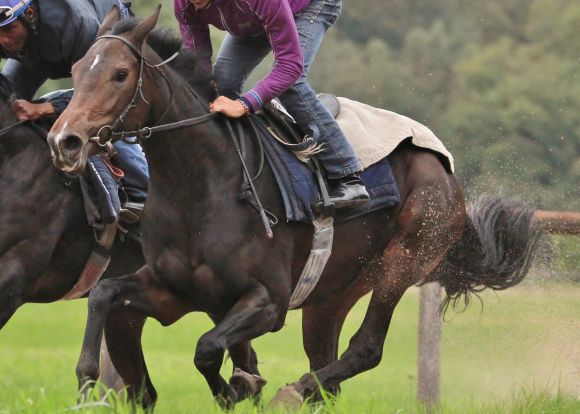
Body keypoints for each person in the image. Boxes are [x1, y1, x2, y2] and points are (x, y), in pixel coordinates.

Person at [174, 0, 369, 208]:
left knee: (292, 86)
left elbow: (290, 66)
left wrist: (246, 103)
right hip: (256, 16)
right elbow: (198, 58)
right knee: (220, 88)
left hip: (309, 6)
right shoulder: (184, 4)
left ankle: (347, 175)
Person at [0, 0, 148, 209]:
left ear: (30, 13)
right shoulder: (16, 33)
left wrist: (46, 107)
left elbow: (95, 95)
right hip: (37, 47)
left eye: (8, 29)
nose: (3, 40)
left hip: (101, 47)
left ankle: (141, 193)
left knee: (101, 116)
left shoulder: (77, 24)